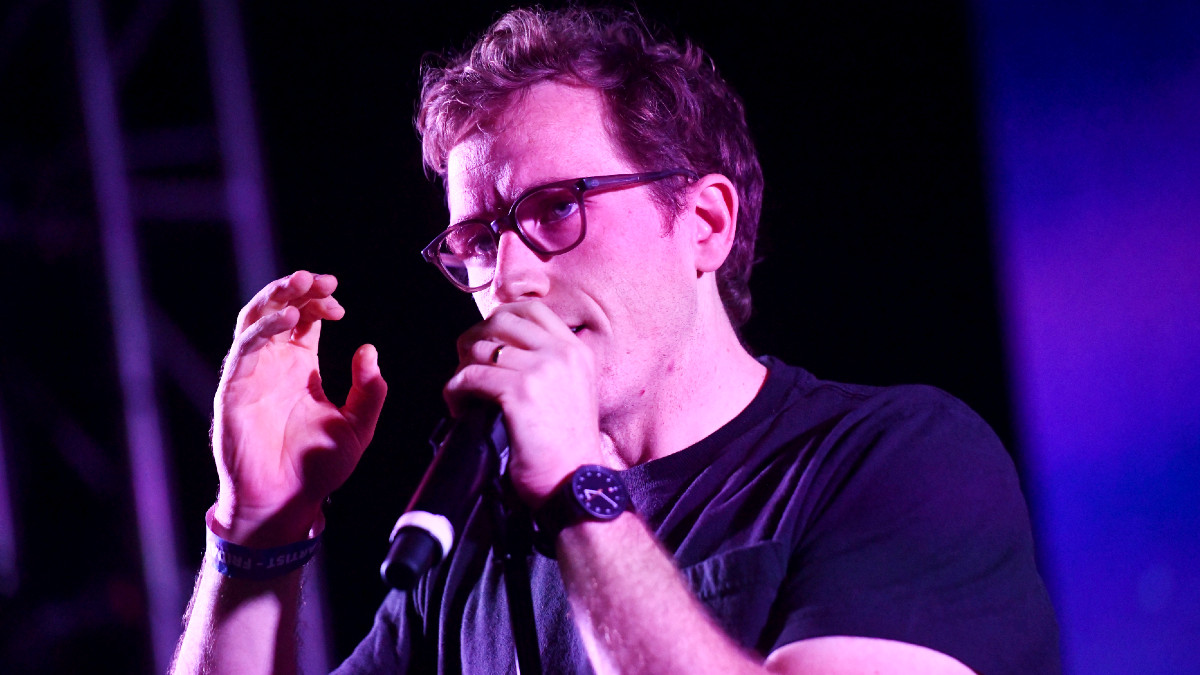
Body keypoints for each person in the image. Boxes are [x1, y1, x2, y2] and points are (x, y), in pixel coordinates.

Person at [172, 6, 1059, 674]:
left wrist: (576, 492)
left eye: (557, 209)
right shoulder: (472, 550)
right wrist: (259, 532)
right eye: (479, 239)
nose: (509, 278)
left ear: (705, 222)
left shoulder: (894, 460)